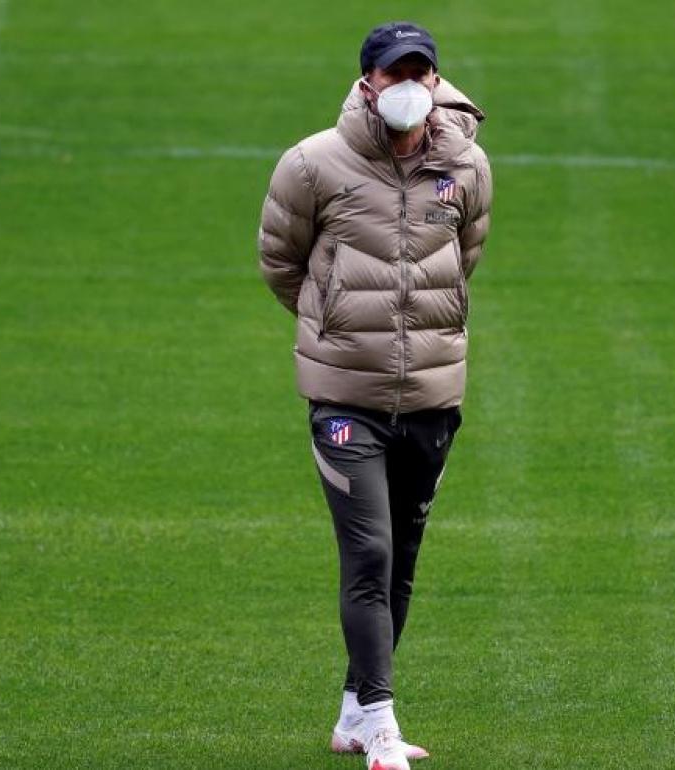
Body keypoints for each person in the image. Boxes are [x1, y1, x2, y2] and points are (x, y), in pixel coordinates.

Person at [257, 20, 492, 770]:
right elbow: (279, 261)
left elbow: (465, 259)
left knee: (401, 561)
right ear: (368, 84)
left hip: (430, 394)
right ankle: (382, 727)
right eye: (394, 75)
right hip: (344, 398)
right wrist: (336, 327)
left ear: (435, 82)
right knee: (369, 550)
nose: (408, 88)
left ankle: (355, 711)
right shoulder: (312, 164)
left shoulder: (468, 166)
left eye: (420, 74)